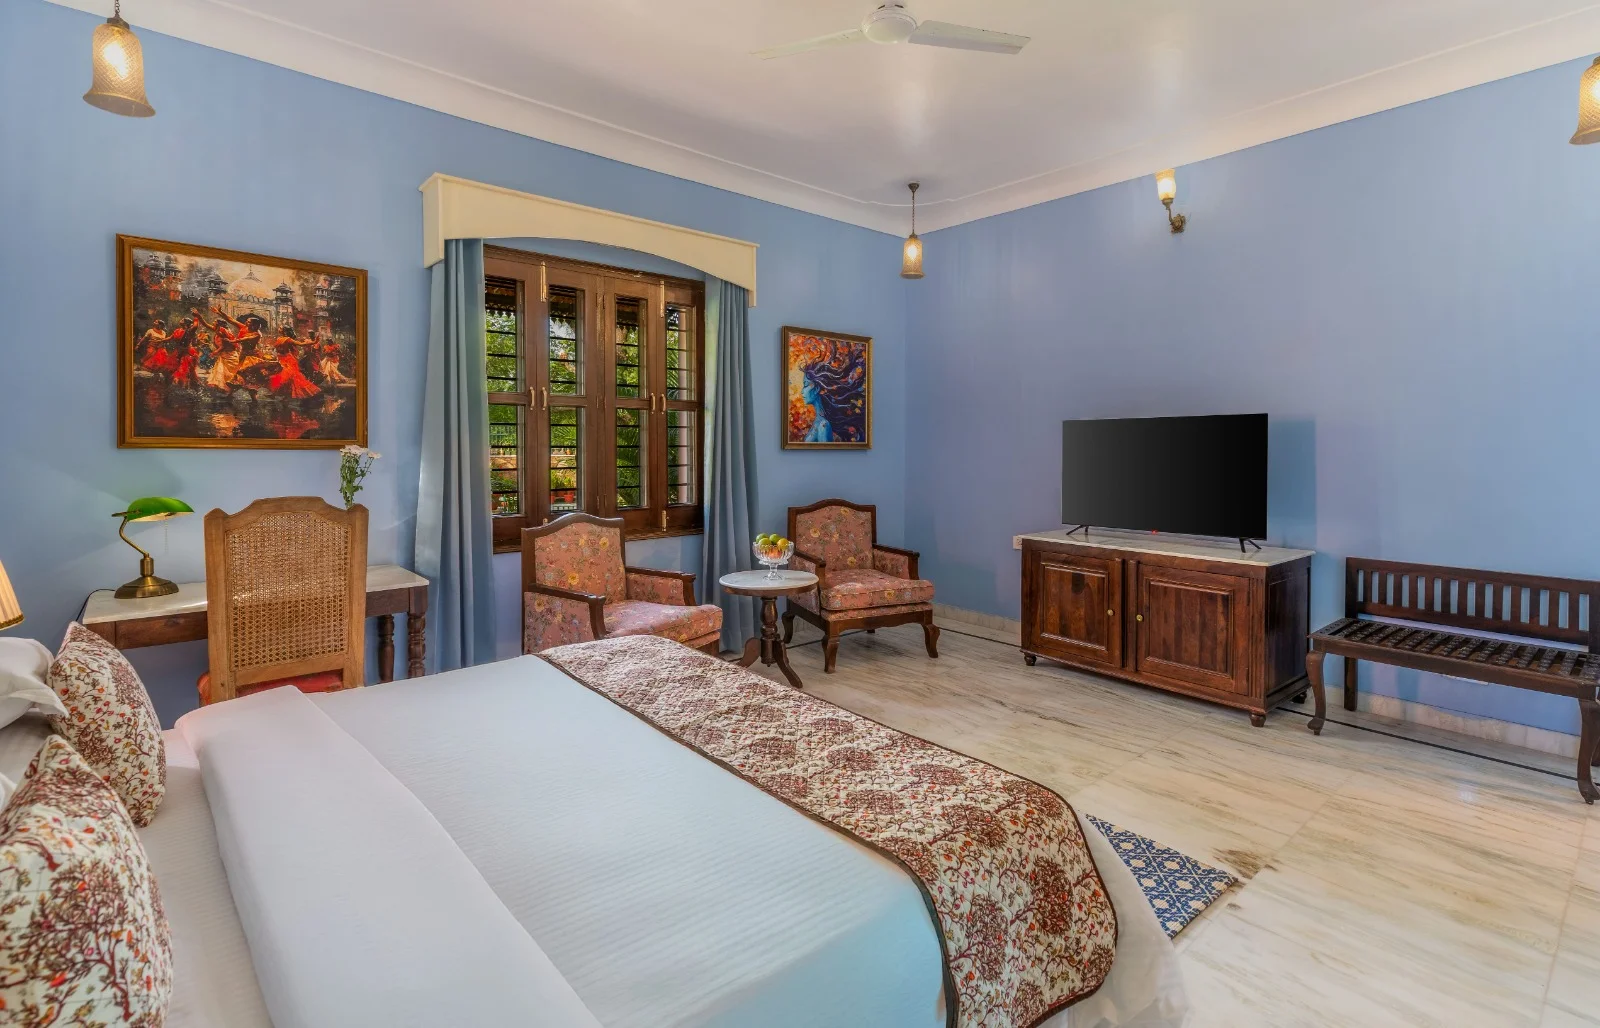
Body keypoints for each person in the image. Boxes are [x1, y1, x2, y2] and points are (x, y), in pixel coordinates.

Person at [268, 327, 321, 399]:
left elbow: (301, 344)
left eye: (281, 328)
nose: (279, 328)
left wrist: (314, 342)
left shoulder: (288, 339)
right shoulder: (279, 338)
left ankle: (278, 394)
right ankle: (276, 393)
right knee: (279, 375)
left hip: (287, 360)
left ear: (284, 331)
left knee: (287, 376)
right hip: (280, 358)